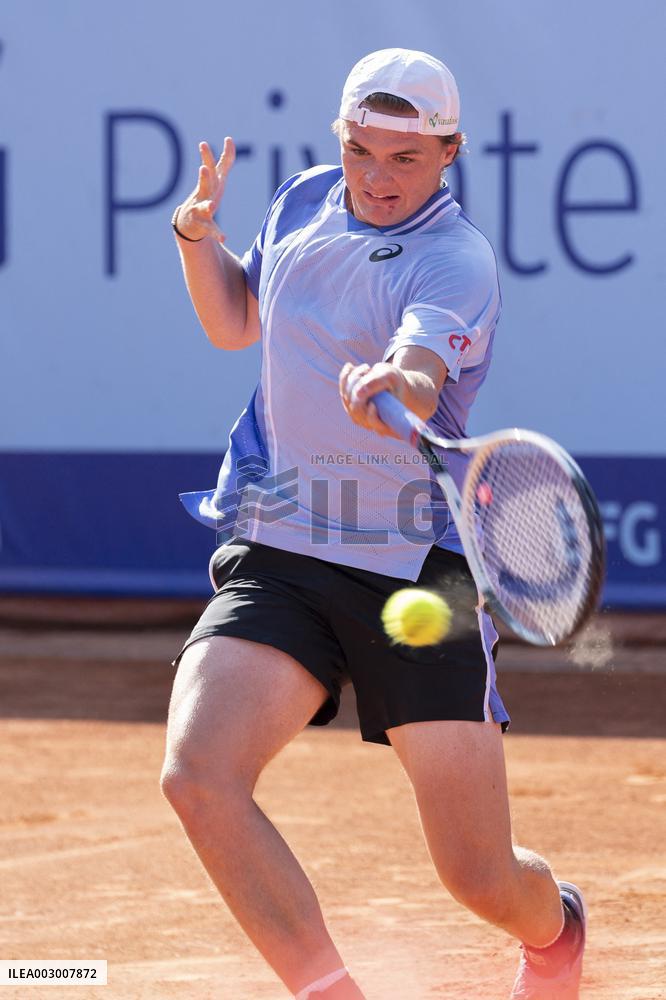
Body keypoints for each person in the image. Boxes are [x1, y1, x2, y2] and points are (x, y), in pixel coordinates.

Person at [161, 48, 587, 1000]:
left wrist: (397, 379)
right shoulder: (304, 199)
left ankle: (557, 929)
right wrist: (196, 238)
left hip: (416, 571)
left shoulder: (455, 257)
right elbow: (236, 323)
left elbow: (424, 368)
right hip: (282, 545)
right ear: (338, 142)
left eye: (406, 157)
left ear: (450, 153)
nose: (377, 176)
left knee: (477, 878)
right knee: (198, 776)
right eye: (362, 150)